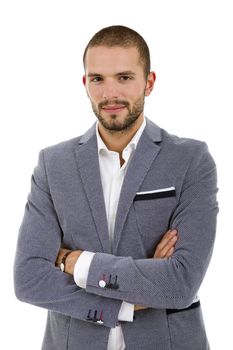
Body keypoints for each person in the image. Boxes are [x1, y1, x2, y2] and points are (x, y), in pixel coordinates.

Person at [14, 25, 218, 350]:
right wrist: (126, 302)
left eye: (124, 78)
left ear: (148, 83)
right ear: (85, 84)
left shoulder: (191, 160)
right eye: (98, 79)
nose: (110, 94)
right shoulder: (53, 164)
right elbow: (29, 280)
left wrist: (74, 263)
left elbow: (181, 283)